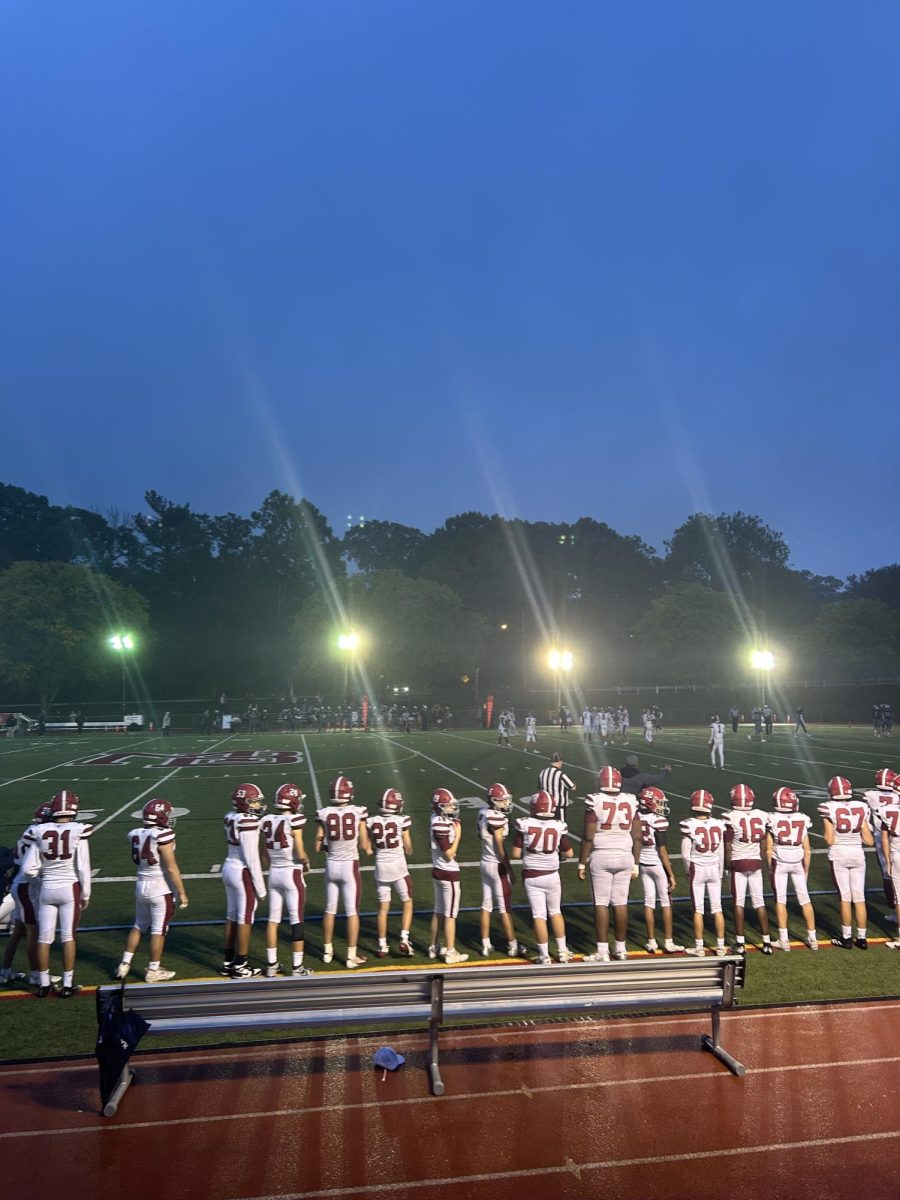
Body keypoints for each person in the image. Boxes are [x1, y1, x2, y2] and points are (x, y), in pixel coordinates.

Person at [21, 789, 92, 996]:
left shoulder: (39, 830)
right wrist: (86, 893)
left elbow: (28, 869)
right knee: (68, 936)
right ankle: (68, 985)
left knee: (44, 938)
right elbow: (83, 866)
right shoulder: (79, 830)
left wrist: (40, 880)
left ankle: (44, 985)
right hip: (69, 887)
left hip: (47, 889)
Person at [115, 798, 189, 983]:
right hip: (160, 887)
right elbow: (171, 868)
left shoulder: (134, 834)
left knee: (138, 925)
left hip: (141, 885)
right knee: (158, 930)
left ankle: (124, 964)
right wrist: (182, 893)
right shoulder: (164, 835)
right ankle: (153, 969)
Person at [578, 766, 642, 962]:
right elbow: (638, 836)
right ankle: (621, 949)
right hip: (625, 855)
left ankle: (603, 951)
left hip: (602, 854)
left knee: (601, 903)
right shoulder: (630, 800)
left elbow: (588, 837)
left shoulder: (595, 800)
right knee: (621, 902)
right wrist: (636, 864)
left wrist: (581, 863)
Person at [512, 790, 574, 964]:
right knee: (555, 912)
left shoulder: (524, 824)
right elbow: (569, 853)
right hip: (552, 875)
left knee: (539, 915)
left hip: (532, 875)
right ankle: (562, 951)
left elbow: (516, 854)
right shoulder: (558, 826)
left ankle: (544, 954)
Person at [316, 776, 371, 968]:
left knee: (329, 909)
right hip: (349, 866)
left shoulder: (324, 813)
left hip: (331, 865)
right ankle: (351, 956)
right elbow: (364, 844)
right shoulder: (358, 811)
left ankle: (327, 951)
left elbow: (318, 844)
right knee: (352, 912)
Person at [0, 803, 55, 988]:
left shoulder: (29, 831)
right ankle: (36, 975)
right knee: (33, 932)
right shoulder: (41, 834)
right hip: (27, 886)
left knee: (18, 931)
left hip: (18, 884)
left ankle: (5, 971)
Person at [260, 783, 312, 977]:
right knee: (296, 919)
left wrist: (274, 864)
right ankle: (297, 967)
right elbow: (299, 850)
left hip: (274, 873)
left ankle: (271, 965)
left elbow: (264, 854)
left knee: (273, 919)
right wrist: (305, 863)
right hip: (291, 873)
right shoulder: (295, 820)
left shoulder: (266, 820)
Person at [819, 776, 873, 948]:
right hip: (857, 853)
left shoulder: (828, 808)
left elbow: (829, 839)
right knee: (859, 897)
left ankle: (847, 937)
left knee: (845, 897)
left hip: (839, 854)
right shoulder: (861, 807)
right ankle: (862, 938)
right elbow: (869, 840)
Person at [221, 783, 267, 977]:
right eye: (254, 801)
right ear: (243, 802)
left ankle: (228, 961)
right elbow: (251, 857)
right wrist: (261, 887)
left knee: (232, 916)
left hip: (228, 867)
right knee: (245, 918)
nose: (257, 805)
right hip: (242, 871)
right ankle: (241, 964)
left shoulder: (230, 816)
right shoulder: (248, 822)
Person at [766, 787, 817, 950]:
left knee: (780, 900)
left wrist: (769, 868)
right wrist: (806, 869)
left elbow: (768, 849)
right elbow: (807, 848)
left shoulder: (772, 818)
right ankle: (813, 938)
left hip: (779, 860)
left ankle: (784, 940)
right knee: (805, 899)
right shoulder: (802, 818)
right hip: (797, 859)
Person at [724, 784, 773, 955]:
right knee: (759, 902)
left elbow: (728, 846)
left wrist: (726, 865)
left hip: (738, 861)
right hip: (755, 861)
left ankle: (740, 942)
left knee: (738, 902)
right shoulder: (761, 815)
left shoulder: (730, 817)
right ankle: (767, 942)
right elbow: (764, 841)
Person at [636, 787, 683, 954]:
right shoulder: (657, 821)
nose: (661, 805)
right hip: (657, 865)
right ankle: (668, 942)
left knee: (649, 902)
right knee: (666, 903)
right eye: (658, 802)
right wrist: (671, 874)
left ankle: (651, 942)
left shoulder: (636, 817)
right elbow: (662, 851)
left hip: (643, 864)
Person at [368, 788, 414, 959]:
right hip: (399, 868)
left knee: (383, 908)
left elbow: (372, 846)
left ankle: (382, 945)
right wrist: (406, 847)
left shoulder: (372, 821)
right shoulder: (402, 821)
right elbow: (408, 848)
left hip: (381, 869)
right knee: (407, 902)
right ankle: (404, 938)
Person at [680, 789, 727, 957]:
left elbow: (685, 854)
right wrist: (721, 872)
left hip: (698, 868)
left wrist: (687, 870)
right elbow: (721, 851)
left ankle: (699, 947)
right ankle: (721, 946)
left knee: (698, 909)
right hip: (714, 868)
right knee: (717, 907)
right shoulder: (718, 824)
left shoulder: (689, 824)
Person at [478, 783, 519, 958]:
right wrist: (509, 869)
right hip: (496, 865)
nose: (506, 804)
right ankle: (513, 944)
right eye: (502, 801)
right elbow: (501, 849)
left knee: (486, 905)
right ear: (494, 801)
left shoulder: (482, 812)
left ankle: (485, 943)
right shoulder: (496, 819)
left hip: (484, 862)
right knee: (504, 908)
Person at [427, 788, 468, 964]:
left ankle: (434, 946)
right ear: (440, 807)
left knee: (438, 912)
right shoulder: (440, 824)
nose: (452, 808)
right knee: (451, 914)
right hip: (448, 872)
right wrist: (458, 835)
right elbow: (449, 853)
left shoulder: (435, 819)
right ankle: (450, 952)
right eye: (448, 805)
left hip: (438, 870)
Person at [862, 769, 899, 918]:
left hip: (881, 835)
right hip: (896, 834)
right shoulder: (897, 796)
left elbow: (865, 811)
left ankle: (894, 908)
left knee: (887, 873)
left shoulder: (870, 795)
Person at [879, 775, 900, 948]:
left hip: (897, 853)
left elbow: (885, 839)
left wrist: (888, 861)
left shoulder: (887, 810)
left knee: (899, 898)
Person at [538, 752, 575, 818]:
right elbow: (572, 787)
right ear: (560, 762)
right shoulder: (561, 774)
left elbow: (540, 787)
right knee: (560, 826)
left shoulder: (542, 772)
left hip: (546, 805)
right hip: (559, 806)